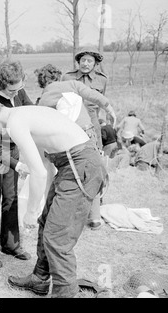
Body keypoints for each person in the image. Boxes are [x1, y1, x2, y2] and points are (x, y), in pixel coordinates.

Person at [0, 97, 106, 298]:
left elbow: (38, 173)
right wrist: (43, 206)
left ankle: (65, 294)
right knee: (47, 222)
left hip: (80, 166)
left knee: (58, 237)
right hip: (70, 166)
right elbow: (46, 166)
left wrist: (30, 212)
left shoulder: (16, 124)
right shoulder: (24, 114)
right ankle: (40, 279)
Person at [35, 64, 116, 230]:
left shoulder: (44, 98)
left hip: (70, 141)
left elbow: (42, 125)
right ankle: (94, 218)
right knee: (93, 174)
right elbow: (95, 96)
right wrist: (110, 109)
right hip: (89, 134)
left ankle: (60, 216)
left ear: (42, 83)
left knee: (68, 177)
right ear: (58, 76)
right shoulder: (73, 84)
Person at [0, 59, 33, 268]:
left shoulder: (18, 91)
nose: (16, 93)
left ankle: (11, 244)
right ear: (1, 85)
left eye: (19, 88)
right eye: (12, 90)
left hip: (14, 149)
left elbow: (29, 110)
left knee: (11, 198)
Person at [62, 47, 109, 150]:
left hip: (93, 122)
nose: (85, 63)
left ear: (95, 63)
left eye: (89, 61)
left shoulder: (102, 79)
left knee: (96, 152)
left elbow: (101, 102)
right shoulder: (68, 78)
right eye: (83, 60)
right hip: (73, 122)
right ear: (79, 62)